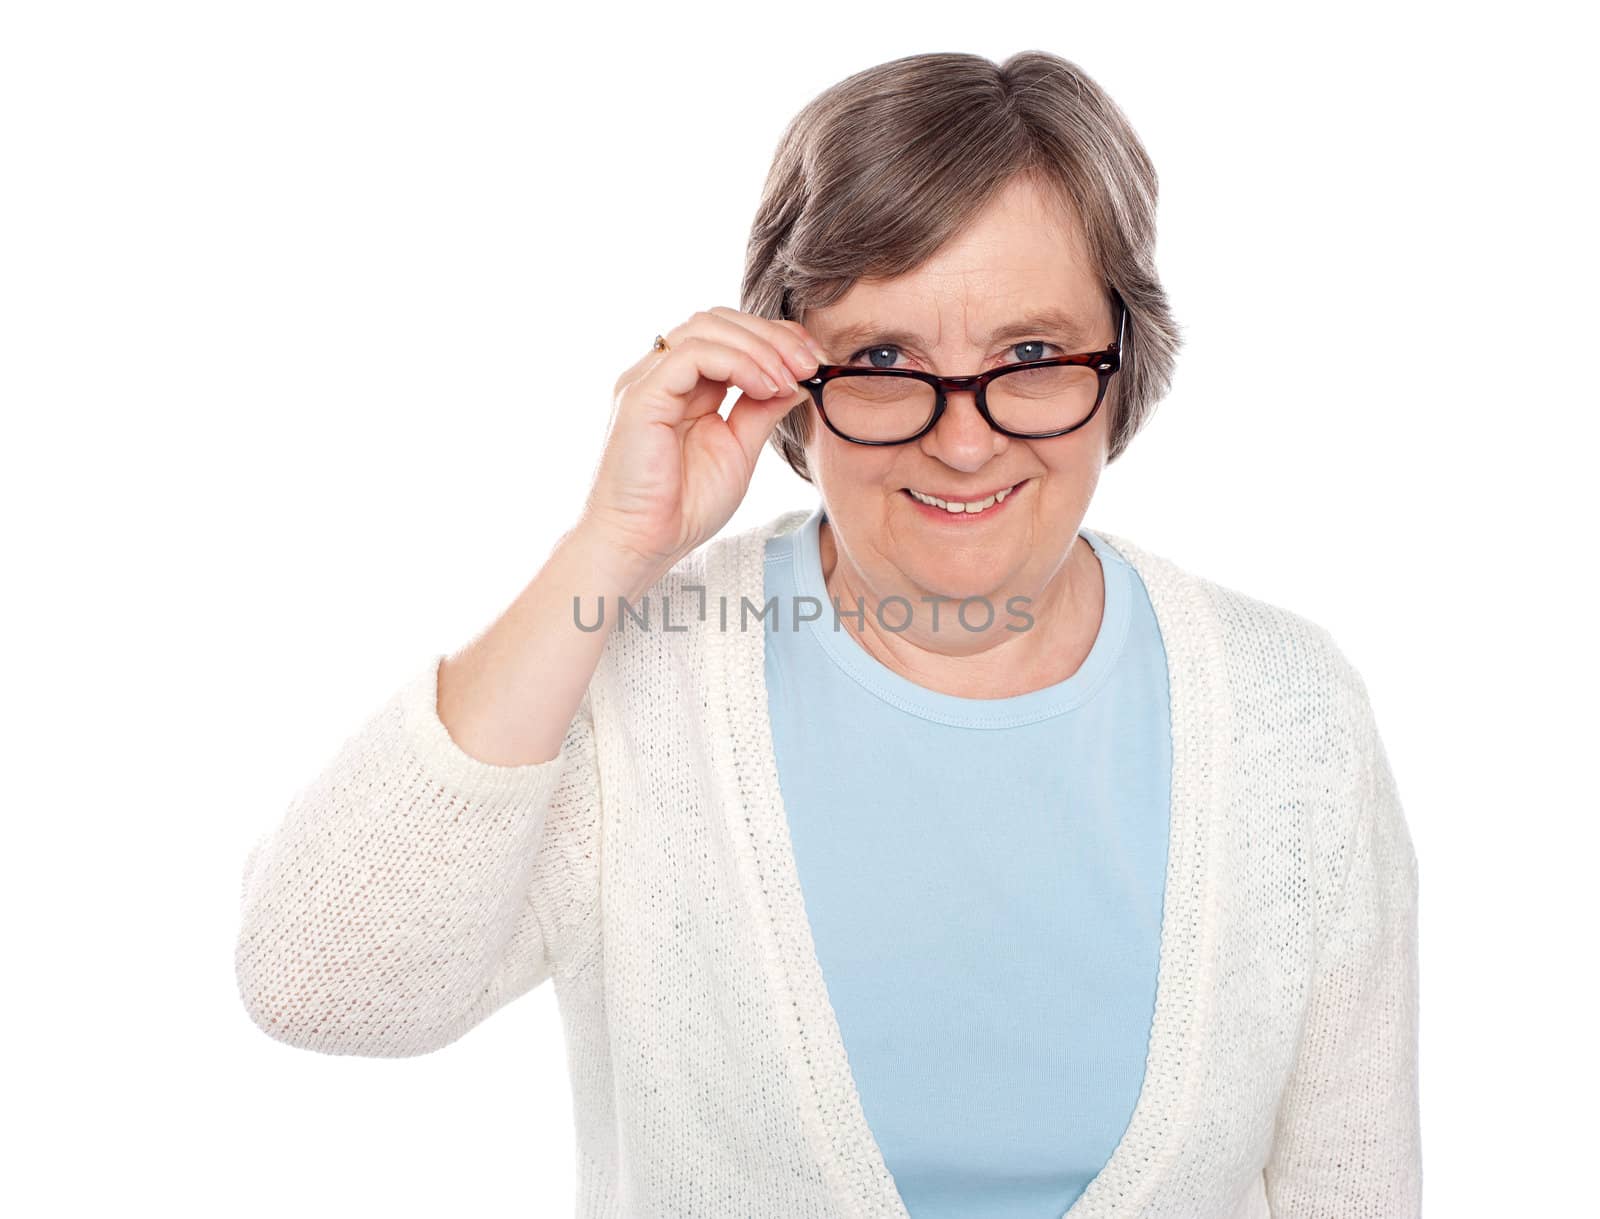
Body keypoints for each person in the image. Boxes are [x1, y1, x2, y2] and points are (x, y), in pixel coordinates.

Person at [235, 50, 1421, 1219]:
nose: (963, 442)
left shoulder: (1287, 711)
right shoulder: (649, 677)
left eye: (1028, 354)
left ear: (1121, 364)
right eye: (886, 359)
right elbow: (323, 983)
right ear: (789, 375)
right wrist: (611, 546)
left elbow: (1357, 1189)